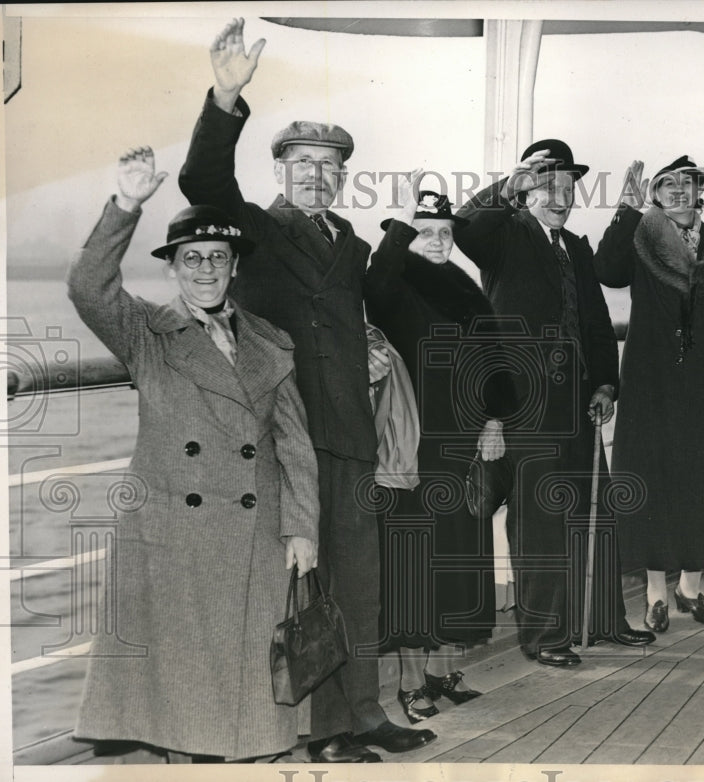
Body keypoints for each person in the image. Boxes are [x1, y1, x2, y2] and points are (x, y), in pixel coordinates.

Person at [178, 19, 433, 761]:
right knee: (307, 587)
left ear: (341, 176)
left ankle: (365, 714)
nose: (316, 176)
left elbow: (351, 316)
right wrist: (225, 96)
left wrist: (373, 349)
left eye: (329, 166)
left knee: (360, 583)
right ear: (282, 172)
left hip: (350, 432)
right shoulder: (254, 229)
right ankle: (322, 734)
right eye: (303, 164)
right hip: (288, 435)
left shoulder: (349, 242)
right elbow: (204, 182)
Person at [70, 148, 319, 762]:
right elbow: (87, 287)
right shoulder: (146, 334)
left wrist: (303, 528)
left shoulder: (271, 342)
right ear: (173, 269)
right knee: (183, 699)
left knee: (252, 694)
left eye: (217, 258)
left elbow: (294, 445)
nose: (205, 269)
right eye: (191, 258)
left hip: (258, 536)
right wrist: (126, 204)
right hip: (174, 536)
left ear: (234, 267)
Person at [455, 139, 655, 668]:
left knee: (596, 515)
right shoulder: (503, 238)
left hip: (578, 407)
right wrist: (509, 185)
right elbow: (464, 227)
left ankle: (604, 622)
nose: (562, 195)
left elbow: (594, 323)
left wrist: (606, 384)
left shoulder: (575, 248)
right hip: (524, 407)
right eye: (549, 184)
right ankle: (544, 637)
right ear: (525, 191)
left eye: (568, 185)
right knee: (540, 521)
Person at [365, 174, 517, 721]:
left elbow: (498, 360)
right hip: (410, 452)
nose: (434, 240)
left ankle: (441, 673)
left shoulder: (466, 288)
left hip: (466, 446)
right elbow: (374, 284)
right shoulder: (391, 285)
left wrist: (496, 420)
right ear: (406, 235)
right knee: (412, 571)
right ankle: (409, 685)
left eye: (443, 232)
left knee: (457, 563)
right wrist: (401, 224)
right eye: (423, 231)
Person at [593, 156, 704, 632]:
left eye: (688, 183)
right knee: (653, 480)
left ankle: (690, 588)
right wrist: (625, 209)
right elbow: (607, 270)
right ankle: (656, 594)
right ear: (655, 195)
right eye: (668, 185)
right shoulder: (642, 237)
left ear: (700, 190)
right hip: (654, 382)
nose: (679, 191)